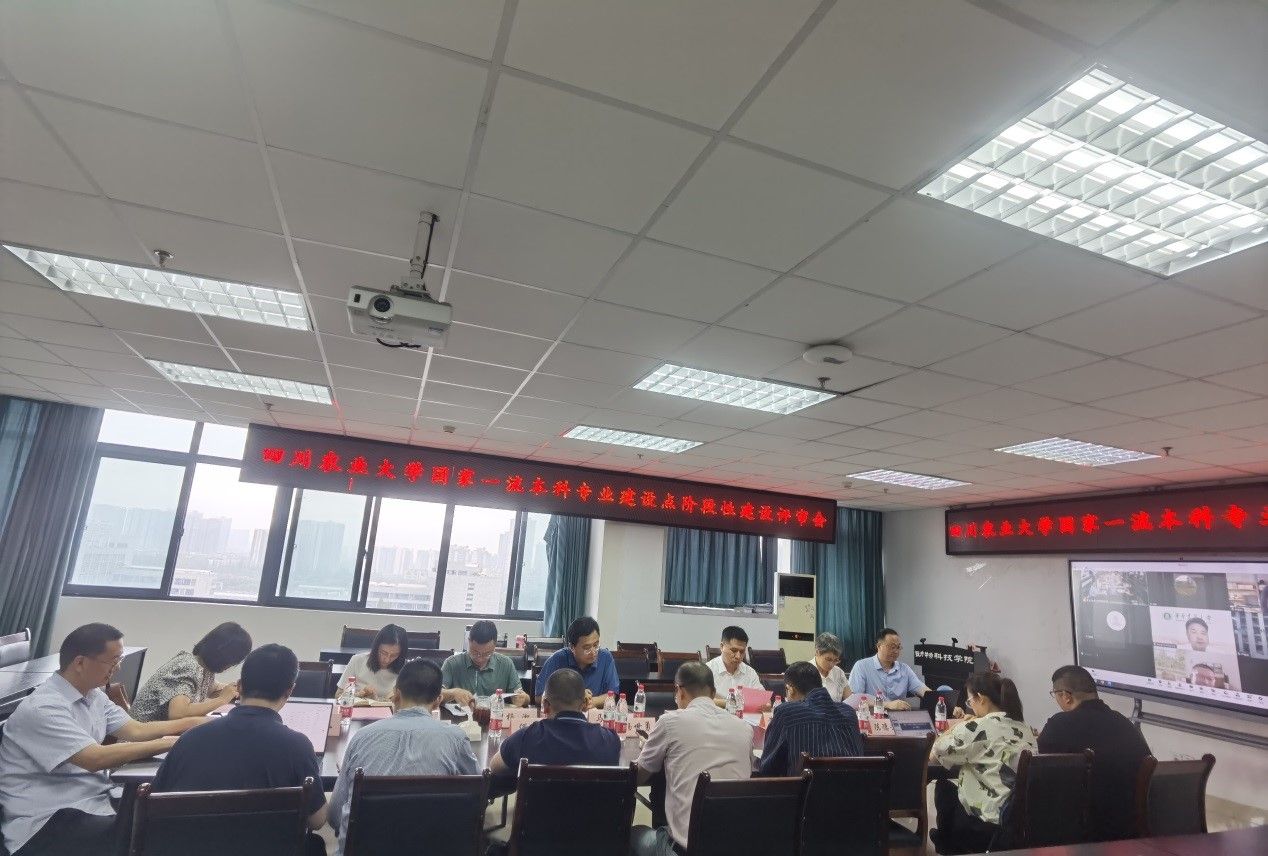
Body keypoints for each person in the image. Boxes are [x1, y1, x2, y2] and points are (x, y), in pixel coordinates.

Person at [0, 623, 204, 856]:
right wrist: (176, 743)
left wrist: (196, 724)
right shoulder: (43, 708)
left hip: (92, 801)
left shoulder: (93, 695)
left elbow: (137, 730)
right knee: (157, 836)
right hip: (47, 821)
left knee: (171, 820)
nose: (118, 668)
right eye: (113, 661)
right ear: (80, 663)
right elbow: (95, 758)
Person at [152, 644, 327, 856]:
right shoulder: (297, 745)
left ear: (240, 686)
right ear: (289, 691)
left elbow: (157, 802)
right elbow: (317, 820)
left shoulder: (189, 739)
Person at [328, 659, 478, 855]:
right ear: (438, 700)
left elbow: (334, 816)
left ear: (396, 694)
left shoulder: (362, 737)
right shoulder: (456, 738)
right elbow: (477, 795)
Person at [630, 662, 753, 856]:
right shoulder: (744, 728)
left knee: (633, 834)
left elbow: (638, 776)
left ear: (679, 691)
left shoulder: (670, 722)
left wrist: (652, 749)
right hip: (734, 845)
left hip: (684, 850)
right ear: (713, 693)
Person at [1039, 665, 1151, 842]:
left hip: (1083, 832)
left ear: (1066, 696)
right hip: (1131, 828)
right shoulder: (1125, 724)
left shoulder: (1058, 725)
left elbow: (1042, 777)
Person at [930, 672, 1036, 855]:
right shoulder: (1024, 728)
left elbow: (935, 753)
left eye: (970, 701)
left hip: (986, 822)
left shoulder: (976, 727)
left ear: (981, 698)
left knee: (944, 786)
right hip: (1019, 820)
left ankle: (948, 845)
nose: (971, 706)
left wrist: (956, 727)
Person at [489, 668, 620, 784]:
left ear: (545, 706)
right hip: (593, 806)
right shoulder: (610, 740)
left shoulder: (526, 737)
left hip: (539, 805)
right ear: (585, 703)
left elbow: (495, 767)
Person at [131, 622, 252, 721]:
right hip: (140, 738)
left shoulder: (204, 667)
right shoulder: (187, 666)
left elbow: (212, 688)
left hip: (156, 735)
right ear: (221, 652)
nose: (231, 665)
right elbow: (178, 713)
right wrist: (221, 700)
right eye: (232, 660)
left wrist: (236, 690)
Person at [758, 661, 862, 776]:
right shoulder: (849, 712)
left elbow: (768, 768)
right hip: (851, 786)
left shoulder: (787, 713)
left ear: (790, 689)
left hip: (806, 787)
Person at [534, 616, 618, 709]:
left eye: (596, 645)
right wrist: (575, 698)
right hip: (564, 715)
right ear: (572, 647)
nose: (593, 652)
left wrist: (591, 702)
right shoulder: (557, 659)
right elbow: (539, 697)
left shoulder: (605, 657)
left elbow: (612, 695)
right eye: (587, 648)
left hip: (594, 715)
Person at [441, 620, 528, 707]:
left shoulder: (506, 664)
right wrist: (453, 693)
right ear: (469, 641)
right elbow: (436, 695)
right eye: (475, 652)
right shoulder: (452, 663)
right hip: (460, 715)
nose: (480, 658)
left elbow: (523, 697)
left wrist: (523, 699)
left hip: (495, 714)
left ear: (495, 646)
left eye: (486, 654)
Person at [847, 628, 930, 710]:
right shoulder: (862, 666)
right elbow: (855, 699)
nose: (896, 651)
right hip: (873, 715)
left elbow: (921, 689)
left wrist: (934, 696)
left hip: (900, 716)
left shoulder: (904, 669)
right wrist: (887, 704)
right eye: (892, 647)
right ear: (879, 646)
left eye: (898, 647)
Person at [336, 623, 408, 700]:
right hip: (359, 707)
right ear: (376, 647)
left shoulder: (406, 669)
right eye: (383, 653)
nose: (387, 659)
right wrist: (360, 694)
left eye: (394, 655)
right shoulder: (357, 660)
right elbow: (338, 695)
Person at [705, 625, 764, 705]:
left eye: (742, 652)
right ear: (722, 647)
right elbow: (700, 700)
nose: (738, 656)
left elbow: (764, 701)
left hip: (744, 713)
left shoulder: (750, 673)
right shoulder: (707, 670)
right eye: (734, 650)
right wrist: (732, 703)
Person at [809, 632, 851, 702]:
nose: (832, 664)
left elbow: (850, 700)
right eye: (828, 659)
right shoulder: (805, 672)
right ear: (817, 652)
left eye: (836, 660)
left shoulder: (839, 673)